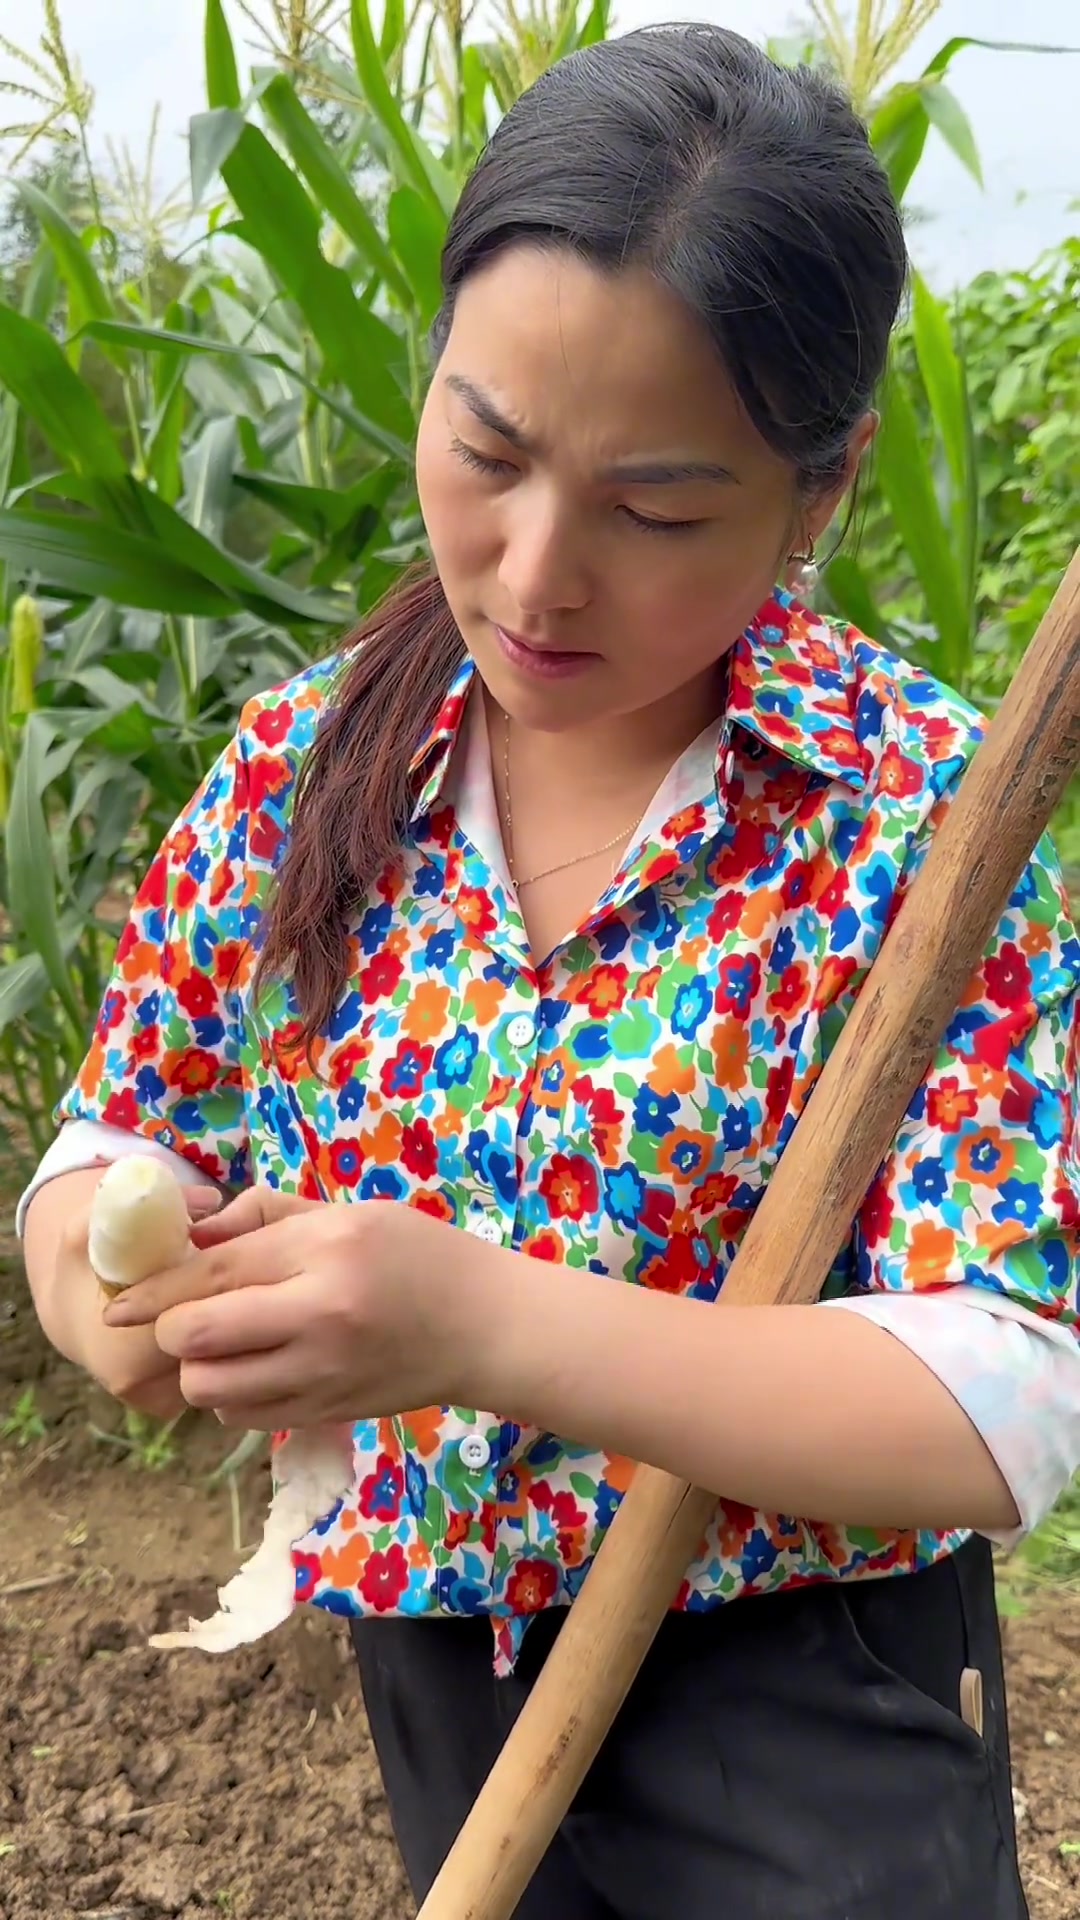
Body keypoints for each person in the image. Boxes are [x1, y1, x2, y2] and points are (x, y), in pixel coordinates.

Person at [20, 24, 1080, 1919]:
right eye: (485, 450)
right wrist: (109, 1266)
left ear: (816, 496)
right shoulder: (304, 771)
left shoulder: (909, 823)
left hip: (801, 1699)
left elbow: (995, 1401)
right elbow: (118, 1131)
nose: (530, 574)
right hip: (442, 1673)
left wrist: (488, 1327)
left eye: (658, 510)